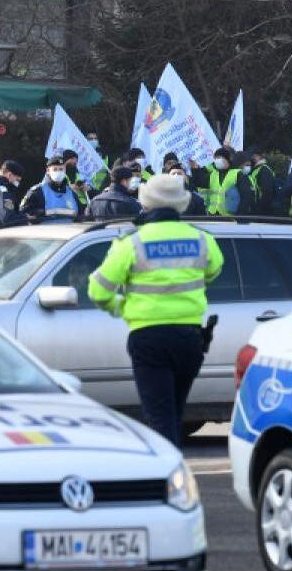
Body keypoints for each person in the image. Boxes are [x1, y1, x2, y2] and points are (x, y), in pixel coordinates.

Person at [87, 174, 224, 446]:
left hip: (149, 338)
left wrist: (121, 308)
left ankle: (168, 481)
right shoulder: (201, 239)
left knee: (160, 419)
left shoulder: (132, 243)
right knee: (173, 413)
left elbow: (98, 290)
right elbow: (214, 270)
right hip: (190, 339)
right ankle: (176, 479)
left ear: (146, 204)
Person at [20, 155, 80, 223]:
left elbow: (81, 215)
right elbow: (23, 214)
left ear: (65, 170)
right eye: (55, 169)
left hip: (71, 232)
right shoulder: (37, 192)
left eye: (61, 169)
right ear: (48, 171)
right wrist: (40, 213)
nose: (58, 172)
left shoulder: (71, 193)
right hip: (45, 232)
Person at [194, 147, 253, 215]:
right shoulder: (213, 174)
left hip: (230, 218)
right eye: (215, 158)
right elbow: (199, 182)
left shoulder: (238, 174)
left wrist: (240, 216)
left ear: (227, 159)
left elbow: (246, 196)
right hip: (213, 215)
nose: (217, 160)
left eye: (219, 158)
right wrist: (195, 169)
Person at [248, 148, 277, 215]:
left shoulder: (264, 170)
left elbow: (267, 192)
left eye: (253, 156)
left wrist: (258, 209)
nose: (252, 158)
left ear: (259, 156)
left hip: (261, 212)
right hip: (256, 209)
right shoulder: (256, 169)